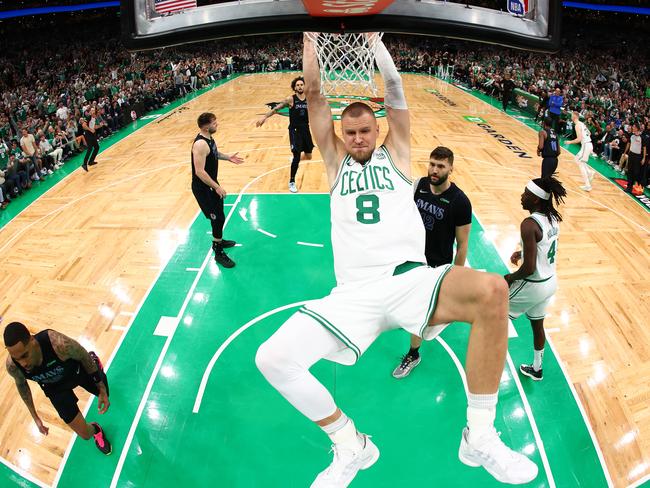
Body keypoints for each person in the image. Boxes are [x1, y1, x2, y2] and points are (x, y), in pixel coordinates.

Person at [255, 32, 538, 487]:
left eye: (366, 129)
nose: (358, 137)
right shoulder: (334, 161)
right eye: (350, 132)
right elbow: (315, 95)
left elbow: (397, 91)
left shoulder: (398, 155)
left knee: (493, 291)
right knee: (272, 359)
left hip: (409, 279)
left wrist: (374, 46)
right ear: (341, 136)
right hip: (352, 294)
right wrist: (310, 42)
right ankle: (352, 445)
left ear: (377, 128)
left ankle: (479, 437)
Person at [392, 146, 472, 379]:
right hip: (410, 258)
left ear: (451, 169)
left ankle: (413, 354)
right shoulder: (419, 187)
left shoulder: (460, 202)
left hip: (435, 267)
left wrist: (455, 277)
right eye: (432, 164)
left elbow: (463, 244)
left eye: (440, 166)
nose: (434, 170)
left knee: (419, 313)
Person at [3, 322, 112, 454]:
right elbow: (21, 385)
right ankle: (96, 430)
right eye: (17, 358)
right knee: (85, 435)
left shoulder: (58, 344)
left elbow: (82, 354)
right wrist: (35, 416)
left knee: (105, 392)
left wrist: (101, 388)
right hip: (55, 389)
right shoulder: (13, 366)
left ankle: (94, 361)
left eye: (25, 355)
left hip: (76, 372)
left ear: (32, 341)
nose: (23, 363)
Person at [505, 176, 566, 380]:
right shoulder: (552, 218)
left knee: (494, 312)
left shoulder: (529, 224)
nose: (522, 196)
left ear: (536, 200)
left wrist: (510, 277)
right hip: (550, 282)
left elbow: (530, 268)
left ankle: (487, 363)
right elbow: (543, 247)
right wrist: (522, 252)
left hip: (534, 284)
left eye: (526, 194)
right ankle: (537, 368)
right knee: (537, 324)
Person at [191, 112, 244, 268]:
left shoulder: (209, 139)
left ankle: (218, 239)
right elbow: (199, 171)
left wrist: (228, 157)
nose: (217, 124)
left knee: (220, 216)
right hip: (203, 188)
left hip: (211, 185)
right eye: (214, 123)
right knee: (217, 218)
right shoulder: (200, 144)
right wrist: (217, 187)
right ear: (206, 126)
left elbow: (213, 153)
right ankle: (218, 250)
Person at [256, 76, 314, 193]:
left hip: (305, 130)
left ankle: (294, 159)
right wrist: (264, 117)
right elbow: (276, 108)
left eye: (301, 84)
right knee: (297, 156)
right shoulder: (290, 99)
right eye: (297, 85)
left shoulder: (309, 99)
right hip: (295, 130)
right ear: (294, 87)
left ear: (304, 86)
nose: (299, 86)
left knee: (309, 156)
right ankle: (292, 181)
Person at [566, 111, 596, 191]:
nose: (571, 117)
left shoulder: (577, 125)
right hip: (587, 144)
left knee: (581, 163)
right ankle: (590, 172)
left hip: (586, 145)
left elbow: (579, 139)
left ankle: (588, 185)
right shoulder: (582, 124)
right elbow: (589, 133)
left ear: (574, 117)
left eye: (572, 115)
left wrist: (570, 142)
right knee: (577, 159)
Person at [81, 107, 100, 172]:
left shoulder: (94, 118)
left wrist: (100, 125)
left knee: (97, 147)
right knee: (90, 149)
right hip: (88, 135)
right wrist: (90, 130)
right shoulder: (88, 117)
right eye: (93, 112)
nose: (95, 115)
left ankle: (91, 161)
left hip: (92, 134)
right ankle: (84, 164)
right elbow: (84, 125)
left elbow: (93, 126)